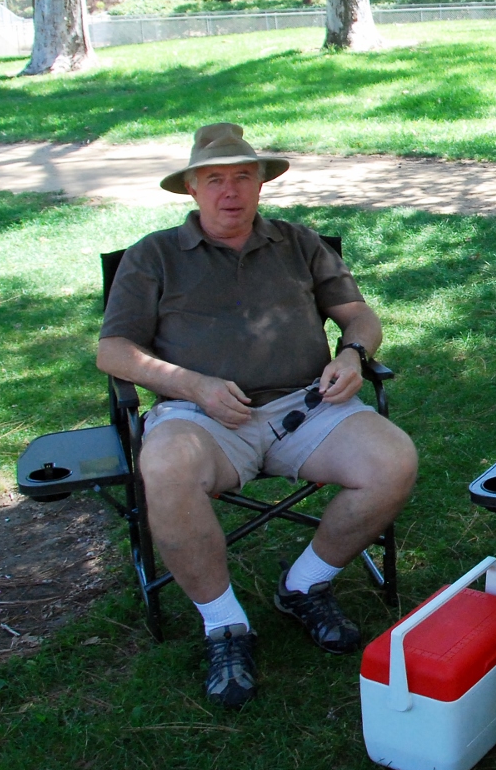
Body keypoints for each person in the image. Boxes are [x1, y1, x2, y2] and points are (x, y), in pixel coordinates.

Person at [97, 123, 417, 709]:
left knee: (393, 459)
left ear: (261, 184)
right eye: (214, 179)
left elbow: (359, 316)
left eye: (242, 177)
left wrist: (353, 354)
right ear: (192, 189)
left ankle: (304, 584)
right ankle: (224, 625)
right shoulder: (154, 256)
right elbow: (113, 352)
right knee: (164, 465)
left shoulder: (298, 242)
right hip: (202, 417)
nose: (229, 191)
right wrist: (191, 383)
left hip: (307, 405)